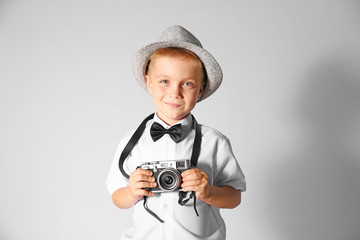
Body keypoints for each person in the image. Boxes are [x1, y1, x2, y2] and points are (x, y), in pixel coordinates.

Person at [106, 25, 246, 240]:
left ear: (200, 90)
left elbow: (234, 197)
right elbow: (118, 198)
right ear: (149, 83)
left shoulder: (214, 142)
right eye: (164, 81)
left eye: (187, 84)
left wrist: (208, 191)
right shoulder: (131, 142)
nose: (175, 93)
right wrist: (132, 191)